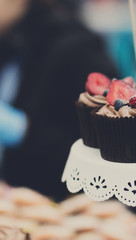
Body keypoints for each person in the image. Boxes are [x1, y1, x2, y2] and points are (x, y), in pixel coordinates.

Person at [0, 0, 118, 201]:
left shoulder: (76, 48)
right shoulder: (8, 43)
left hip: (65, 208)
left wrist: (23, 130)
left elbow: (109, 151)